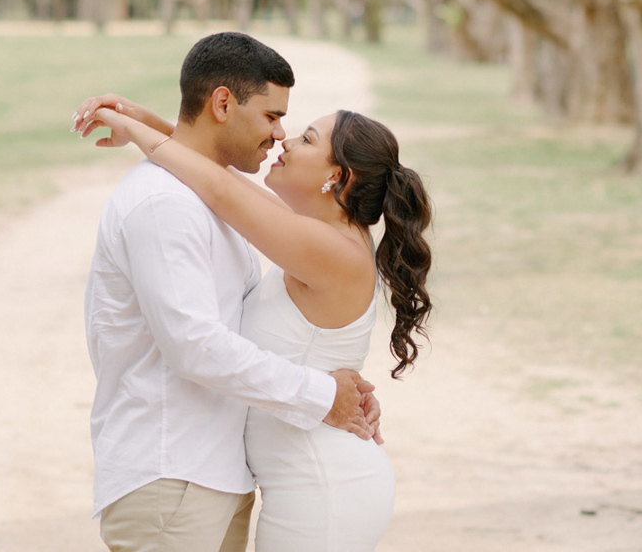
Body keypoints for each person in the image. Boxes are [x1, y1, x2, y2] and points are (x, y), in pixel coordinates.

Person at [79, 92, 433, 549]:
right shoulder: (320, 235)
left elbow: (221, 191)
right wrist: (150, 122)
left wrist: (137, 133)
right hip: (306, 478)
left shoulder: (331, 251)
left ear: (335, 177)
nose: (284, 142)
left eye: (306, 139)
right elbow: (219, 178)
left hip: (323, 484)